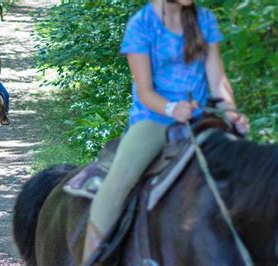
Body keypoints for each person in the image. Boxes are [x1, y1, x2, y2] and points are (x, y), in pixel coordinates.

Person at [81, 0, 250, 264]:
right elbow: (145, 91)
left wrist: (230, 112)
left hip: (204, 117)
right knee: (118, 183)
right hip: (154, 120)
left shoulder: (204, 19)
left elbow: (218, 80)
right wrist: (172, 109)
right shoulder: (141, 25)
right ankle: (92, 258)